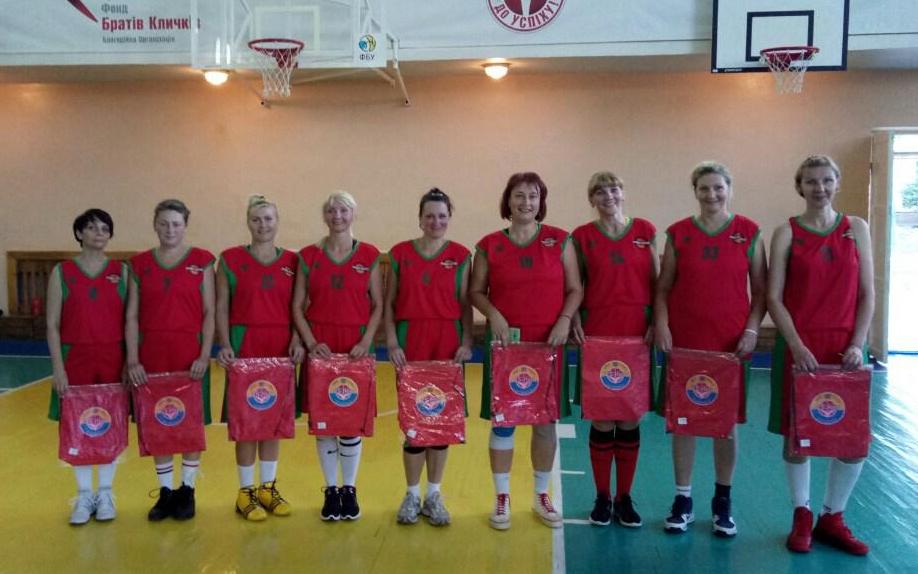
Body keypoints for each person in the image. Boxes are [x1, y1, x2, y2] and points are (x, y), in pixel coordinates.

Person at [766, 155, 874, 555]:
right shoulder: (786, 232)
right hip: (800, 348)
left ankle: (833, 516)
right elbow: (774, 297)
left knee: (853, 440)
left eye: (827, 180)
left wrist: (858, 343)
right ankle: (802, 514)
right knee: (798, 437)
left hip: (845, 350)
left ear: (837, 182)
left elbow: (868, 293)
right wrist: (796, 345)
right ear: (800, 187)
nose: (820, 188)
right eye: (811, 181)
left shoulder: (856, 228)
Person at [654, 161, 767, 537]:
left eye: (719, 187)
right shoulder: (678, 233)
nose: (712, 194)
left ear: (729, 189)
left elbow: (761, 291)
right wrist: (663, 325)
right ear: (695, 192)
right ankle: (682, 499)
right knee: (684, 423)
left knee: (725, 426)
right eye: (704, 188)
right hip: (685, 342)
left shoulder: (749, 232)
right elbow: (663, 287)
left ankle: (722, 501)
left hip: (730, 345)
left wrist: (752, 329)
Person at [469, 172, 583, 531]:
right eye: (519, 195)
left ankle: (540, 494)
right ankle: (502, 496)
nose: (526, 202)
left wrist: (565, 320)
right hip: (506, 345)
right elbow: (476, 291)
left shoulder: (560, 240)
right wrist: (493, 315)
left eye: (533, 196)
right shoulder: (489, 245)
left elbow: (576, 288)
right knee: (504, 421)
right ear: (508, 200)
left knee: (545, 422)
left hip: (548, 342)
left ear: (541, 201)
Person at [570, 172, 658, 528]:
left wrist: (658, 321)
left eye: (614, 189)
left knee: (630, 415)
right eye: (600, 191)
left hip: (638, 332)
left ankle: (624, 497)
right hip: (598, 331)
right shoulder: (581, 237)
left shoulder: (645, 231)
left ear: (623, 192)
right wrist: (574, 318)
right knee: (603, 417)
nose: (608, 195)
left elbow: (658, 282)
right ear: (591, 199)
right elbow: (574, 284)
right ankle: (602, 496)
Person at [384, 188, 473, 526]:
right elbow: (389, 303)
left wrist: (467, 341)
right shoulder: (399, 254)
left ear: (449, 219)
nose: (436, 221)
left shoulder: (461, 255)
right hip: (411, 340)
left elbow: (465, 304)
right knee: (414, 423)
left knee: (441, 422)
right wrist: (392, 342)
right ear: (420, 219)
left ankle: (434, 494)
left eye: (442, 216)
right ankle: (411, 495)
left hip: (447, 341)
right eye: (430, 216)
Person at [292, 191, 383, 521]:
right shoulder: (308, 256)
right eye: (331, 211)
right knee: (325, 422)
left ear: (353, 214)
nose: (338, 216)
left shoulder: (370, 255)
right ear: (325, 216)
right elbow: (297, 306)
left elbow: (378, 305)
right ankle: (331, 489)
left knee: (350, 421)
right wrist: (310, 341)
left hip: (355, 346)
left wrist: (367, 341)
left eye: (343, 210)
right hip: (321, 345)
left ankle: (350, 488)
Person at [216, 196, 304, 521]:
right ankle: (245, 492)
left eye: (268, 219)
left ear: (277, 222)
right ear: (248, 222)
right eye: (256, 219)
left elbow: (299, 306)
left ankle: (267, 487)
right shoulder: (229, 259)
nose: (262, 225)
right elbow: (221, 306)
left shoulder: (293, 261)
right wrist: (225, 344)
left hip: (279, 346)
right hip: (245, 344)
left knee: (272, 420)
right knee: (246, 422)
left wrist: (297, 339)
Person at [126, 199, 215, 521]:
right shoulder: (139, 264)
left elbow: (209, 312)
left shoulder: (202, 261)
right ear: (155, 225)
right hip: (151, 355)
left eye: (176, 224)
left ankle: (187, 490)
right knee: (159, 422)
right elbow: (131, 315)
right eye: (163, 223)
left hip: (189, 354)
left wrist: (205, 354)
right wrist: (133, 359)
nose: (170, 229)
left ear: (185, 226)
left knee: (190, 424)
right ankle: (165, 492)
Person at [46, 209, 128, 524]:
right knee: (77, 426)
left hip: (112, 357)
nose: (99, 233)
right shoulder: (62, 272)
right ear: (79, 233)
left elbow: (131, 321)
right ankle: (83, 495)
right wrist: (58, 368)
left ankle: (105, 493)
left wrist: (129, 360)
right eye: (92, 227)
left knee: (109, 424)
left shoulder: (121, 272)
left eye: (105, 228)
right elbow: (52, 325)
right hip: (75, 357)